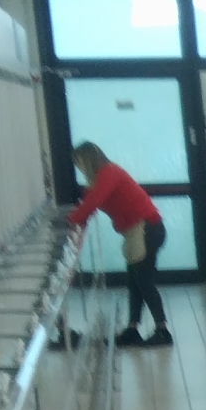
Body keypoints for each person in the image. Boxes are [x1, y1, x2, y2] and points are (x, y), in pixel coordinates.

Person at [68, 144, 170, 345]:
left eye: (79, 163)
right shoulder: (101, 178)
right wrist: (76, 218)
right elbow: (88, 201)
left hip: (145, 229)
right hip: (137, 231)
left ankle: (162, 331)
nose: (79, 168)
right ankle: (132, 329)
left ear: (88, 160)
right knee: (135, 282)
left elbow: (93, 202)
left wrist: (70, 221)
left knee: (144, 282)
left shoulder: (109, 173)